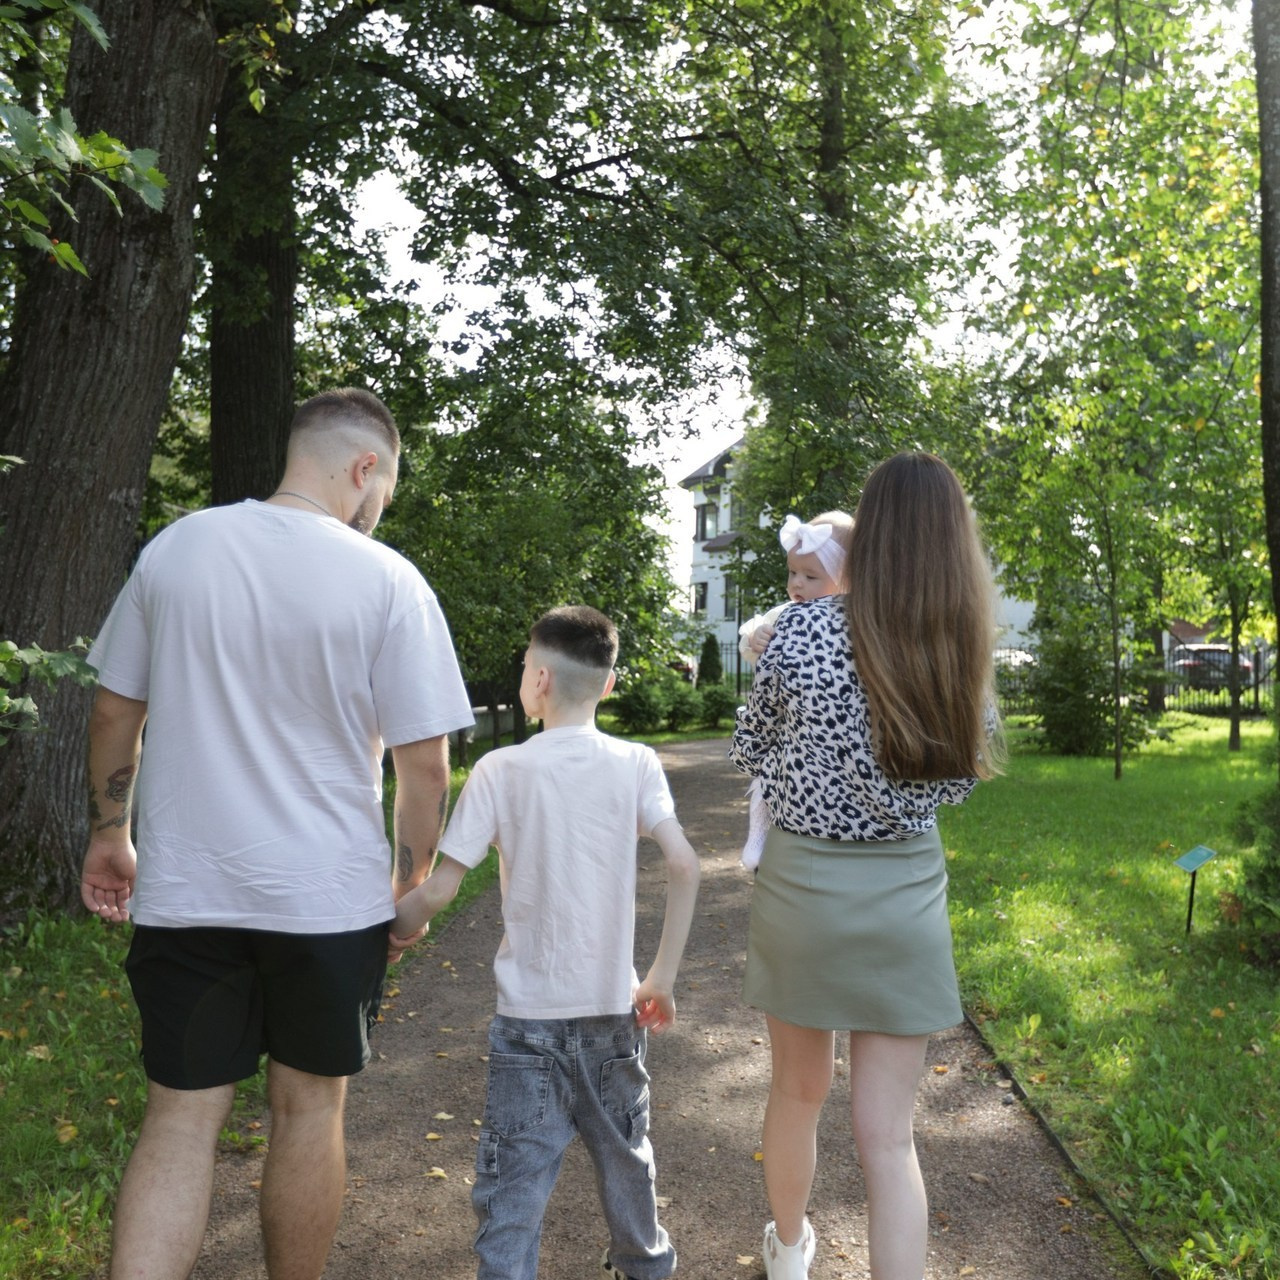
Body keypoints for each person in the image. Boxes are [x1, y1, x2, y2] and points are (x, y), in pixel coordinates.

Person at [80, 387, 475, 1280]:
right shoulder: (387, 580)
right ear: (365, 468)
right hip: (325, 906)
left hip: (187, 896)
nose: (379, 513)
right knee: (309, 1114)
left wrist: (111, 829)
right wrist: (410, 887)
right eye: (385, 493)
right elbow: (423, 765)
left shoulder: (176, 549)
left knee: (179, 1121)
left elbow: (113, 710)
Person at [728, 453, 1001, 1280]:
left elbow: (750, 748)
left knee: (796, 1093)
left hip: (803, 891)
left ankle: (787, 1253)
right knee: (889, 1136)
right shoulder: (957, 648)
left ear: (872, 532)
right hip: (905, 896)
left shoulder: (801, 628)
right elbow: (960, 776)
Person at [391, 605, 701, 1280]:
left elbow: (439, 890)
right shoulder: (636, 762)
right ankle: (645, 1269)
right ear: (609, 686)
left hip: (528, 1028)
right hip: (613, 1017)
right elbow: (684, 864)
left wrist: (388, 931)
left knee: (512, 1196)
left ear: (536, 681)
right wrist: (661, 978)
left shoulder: (502, 771)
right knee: (628, 1168)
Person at [736, 510, 852, 869]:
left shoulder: (852, 621)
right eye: (792, 573)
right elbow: (747, 643)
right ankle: (757, 834)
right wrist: (755, 640)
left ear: (843, 579)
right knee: (766, 780)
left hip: (822, 731)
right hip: (785, 720)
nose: (796, 584)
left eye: (810, 576)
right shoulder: (785, 614)